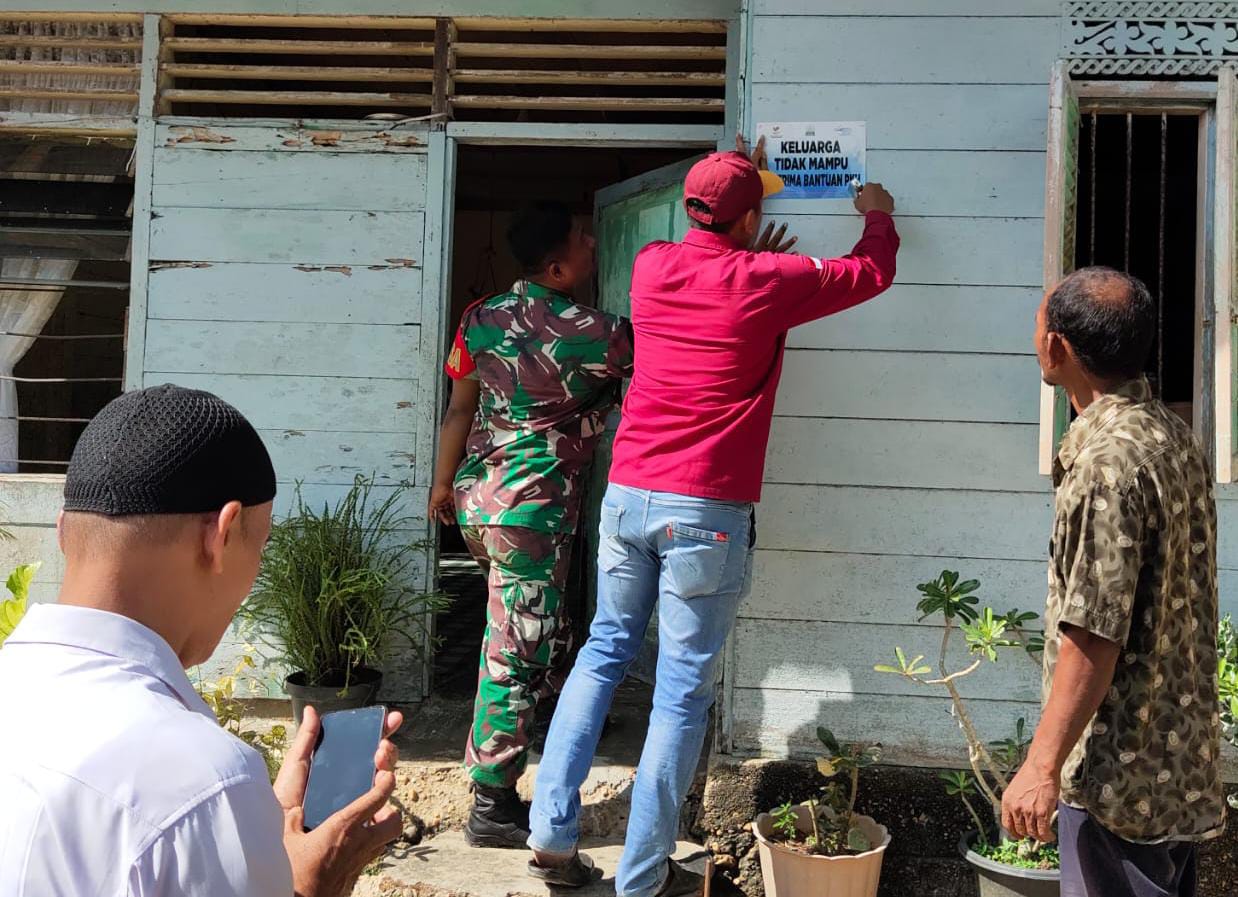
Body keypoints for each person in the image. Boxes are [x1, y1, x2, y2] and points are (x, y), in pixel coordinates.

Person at [527, 139, 899, 895]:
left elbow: (718, 260)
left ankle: (551, 835)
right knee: (679, 693)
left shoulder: (652, 264)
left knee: (601, 653)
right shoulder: (771, 279)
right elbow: (871, 271)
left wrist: (736, 190)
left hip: (629, 493)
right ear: (753, 216)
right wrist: (879, 216)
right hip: (706, 511)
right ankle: (640, 877)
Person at [0, 384, 403, 897]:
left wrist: (249, 821)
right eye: (263, 542)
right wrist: (309, 888)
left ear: (63, 531)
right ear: (223, 533)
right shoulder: (198, 783)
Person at [1003, 267, 1226, 897]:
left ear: (1058, 348)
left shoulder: (1106, 463)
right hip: (1174, 766)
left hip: (1117, 781)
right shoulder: (1172, 437)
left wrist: (1041, 766)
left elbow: (1093, 633)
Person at [427, 202, 635, 849]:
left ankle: (556, 720)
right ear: (555, 264)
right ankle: (491, 799)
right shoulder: (602, 333)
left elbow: (461, 406)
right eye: (581, 237)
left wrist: (440, 481)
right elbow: (652, 385)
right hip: (532, 510)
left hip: (479, 504)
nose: (593, 242)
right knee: (513, 651)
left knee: (536, 623)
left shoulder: (479, 318)